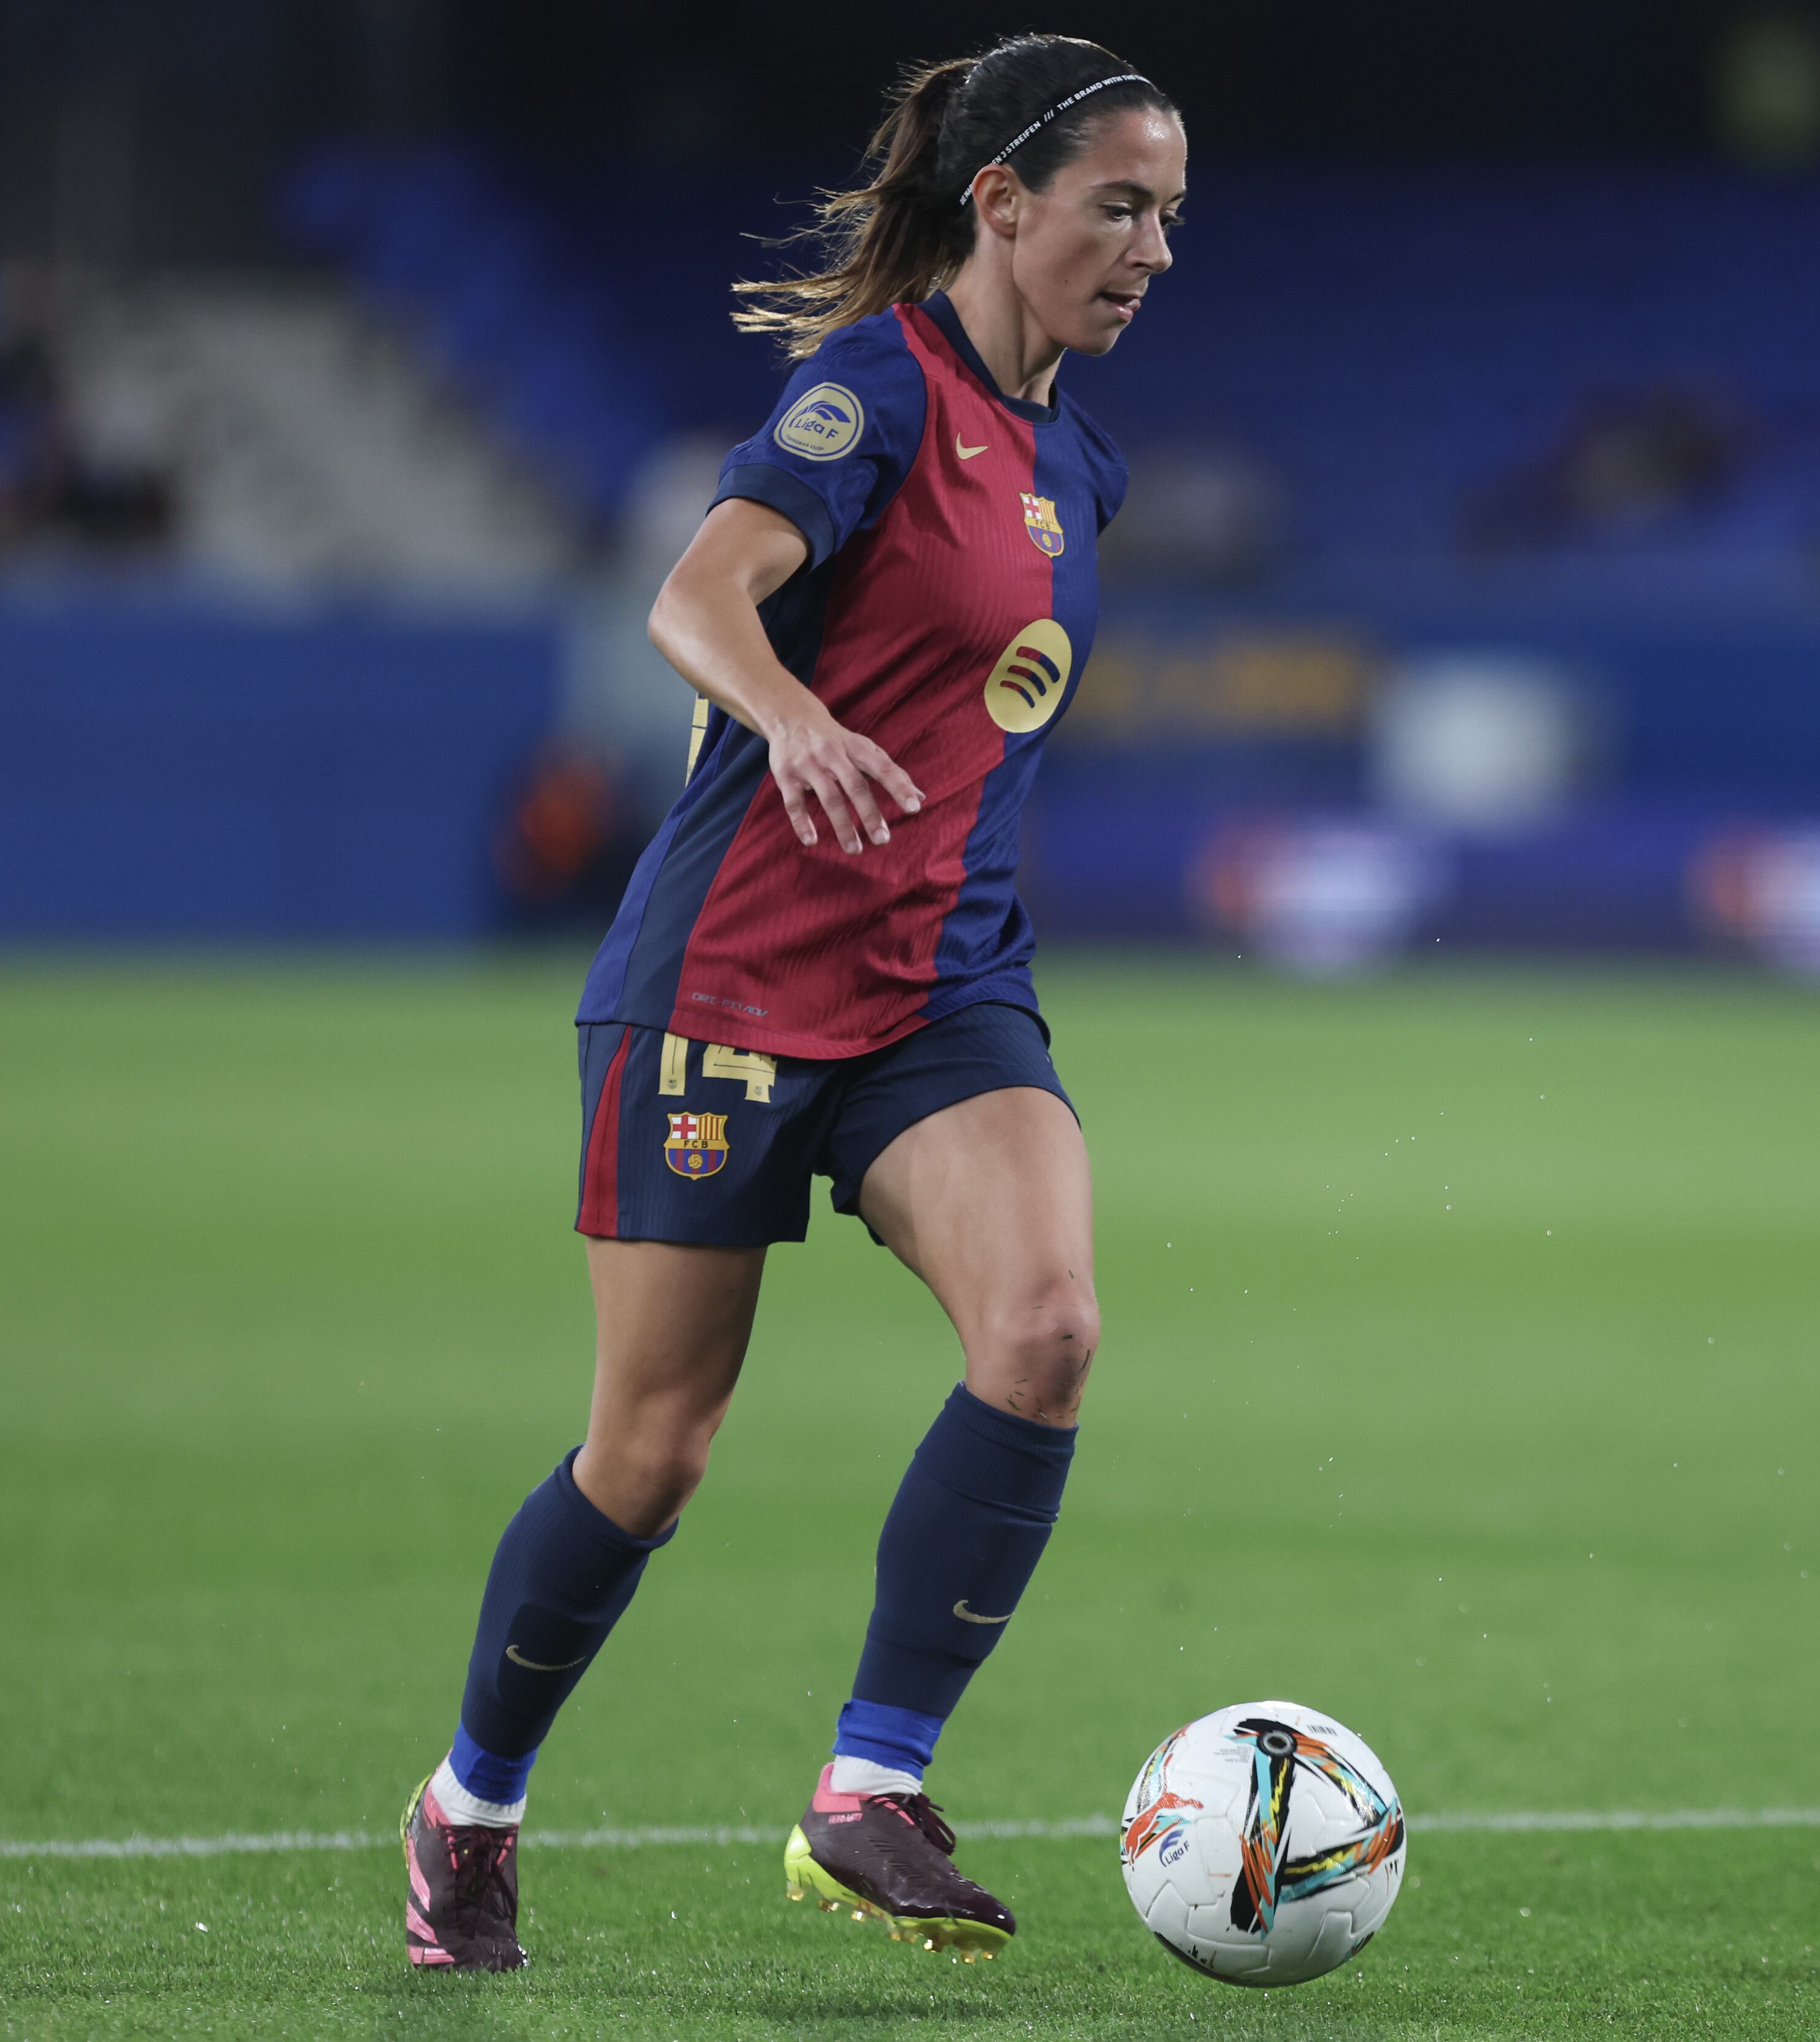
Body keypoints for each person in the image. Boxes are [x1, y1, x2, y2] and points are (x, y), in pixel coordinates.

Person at [399, 34, 1183, 1972]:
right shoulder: (872, 392)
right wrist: (794, 710)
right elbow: (693, 593)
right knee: (652, 1450)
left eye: (1172, 213)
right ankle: (467, 1805)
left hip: (940, 987)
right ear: (1000, 202)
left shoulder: (1081, 456)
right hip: (731, 981)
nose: (1153, 247)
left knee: (1052, 1321)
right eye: (1119, 204)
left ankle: (872, 1788)